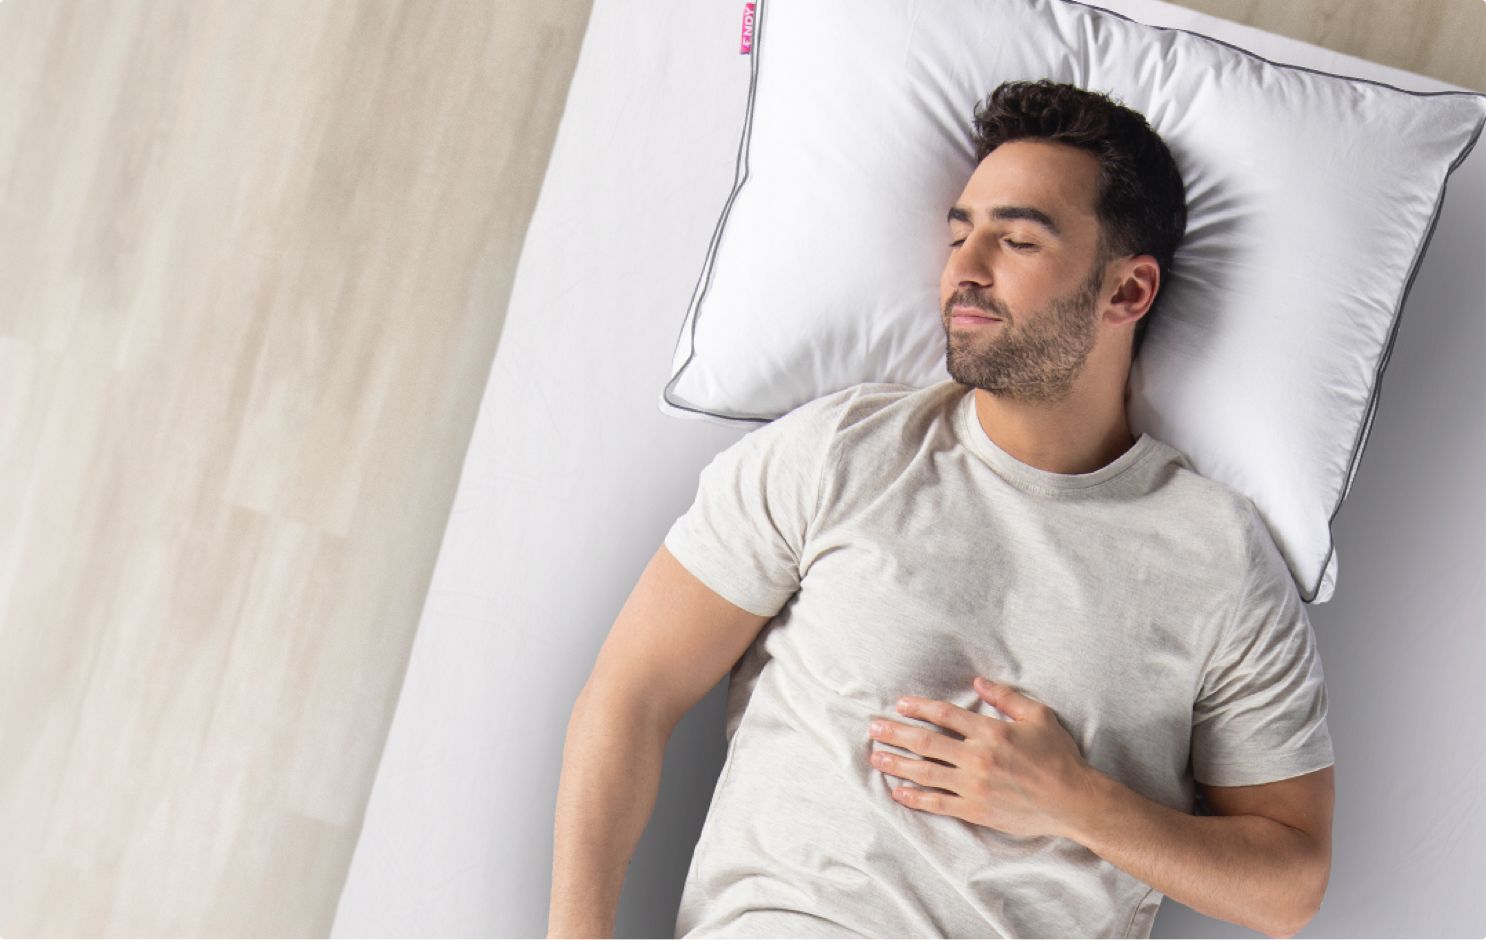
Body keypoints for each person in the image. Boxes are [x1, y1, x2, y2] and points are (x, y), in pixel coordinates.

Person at [549, 79, 1335, 940]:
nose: (965, 267)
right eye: (960, 231)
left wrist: (1078, 803)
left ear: (1127, 294)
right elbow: (631, 692)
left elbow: (1288, 885)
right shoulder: (840, 453)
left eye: (1017, 240)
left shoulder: (1215, 555)